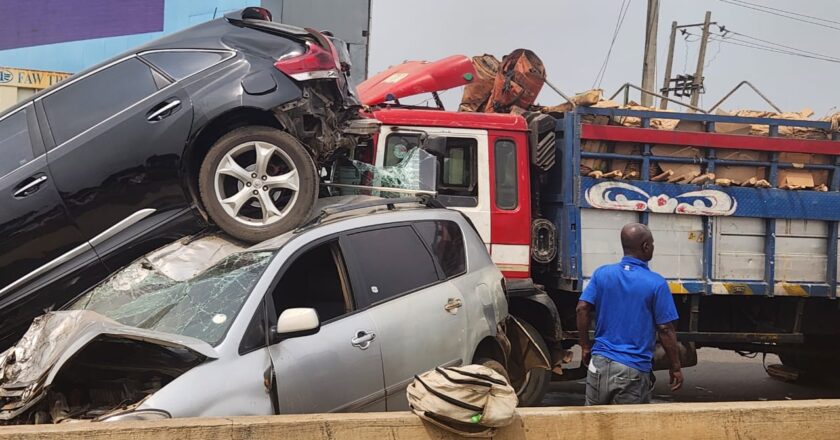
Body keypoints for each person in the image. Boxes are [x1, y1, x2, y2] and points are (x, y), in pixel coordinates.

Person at [576, 223, 683, 405]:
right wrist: (675, 367)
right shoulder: (656, 283)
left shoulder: (602, 274)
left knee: (594, 428)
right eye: (652, 244)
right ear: (645, 246)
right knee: (628, 430)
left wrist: (585, 346)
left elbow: (582, 308)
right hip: (632, 369)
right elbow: (665, 328)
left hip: (599, 364)